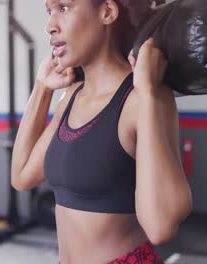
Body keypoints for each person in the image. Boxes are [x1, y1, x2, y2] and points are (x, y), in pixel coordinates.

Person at [11, 0, 193, 263]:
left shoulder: (142, 96)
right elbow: (21, 176)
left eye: (64, 7)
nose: (50, 26)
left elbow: (160, 227)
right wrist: (42, 89)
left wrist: (150, 95)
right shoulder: (71, 98)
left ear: (107, 11)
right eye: (48, 11)